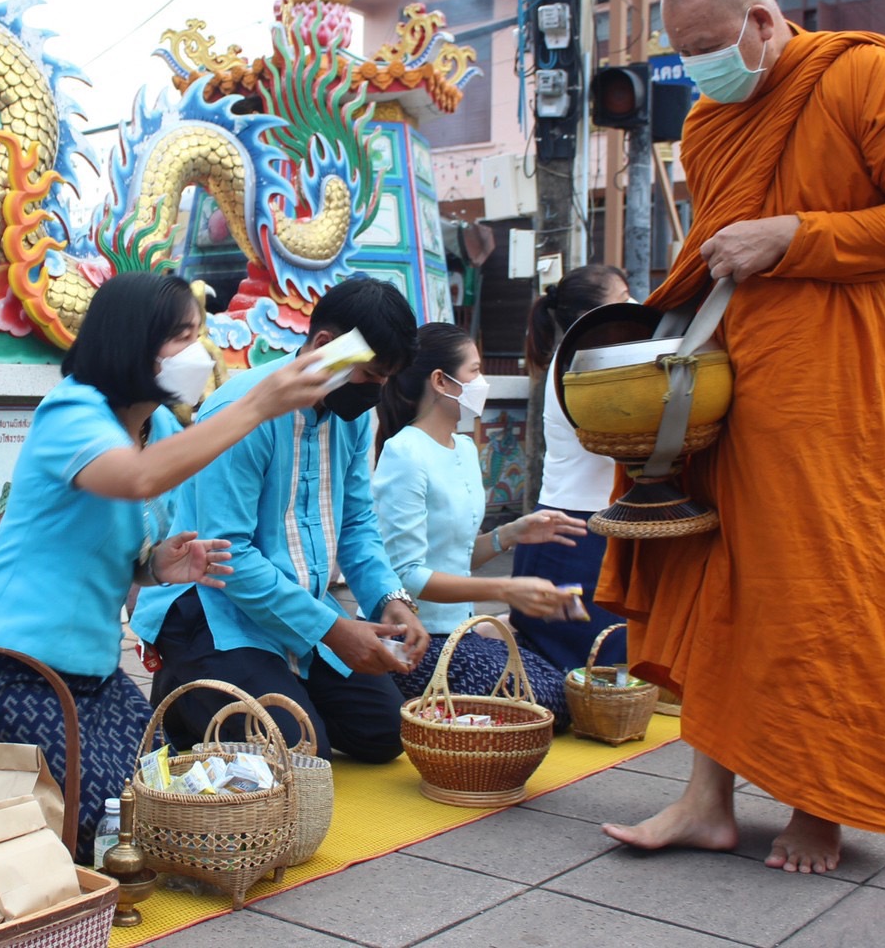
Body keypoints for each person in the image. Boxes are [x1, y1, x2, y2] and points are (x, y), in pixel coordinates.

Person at [596, 0, 885, 874]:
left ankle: (821, 806)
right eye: (683, 55)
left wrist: (794, 236)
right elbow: (713, 254)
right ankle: (706, 800)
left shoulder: (864, 74)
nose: (701, 71)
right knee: (719, 578)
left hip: (842, 383)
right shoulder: (714, 124)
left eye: (711, 47)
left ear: (764, 21)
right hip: (735, 384)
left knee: (826, 585)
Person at [0, 271, 332, 862]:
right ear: (132, 340)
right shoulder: (70, 413)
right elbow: (136, 479)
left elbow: (128, 539)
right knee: (98, 829)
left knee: (153, 805)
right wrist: (259, 402)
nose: (196, 352)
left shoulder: (165, 426)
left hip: (92, 668)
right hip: (8, 658)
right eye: (180, 336)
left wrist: (157, 566)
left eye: (197, 334)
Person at [132, 276, 431, 762]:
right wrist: (333, 632)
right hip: (210, 609)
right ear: (324, 346)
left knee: (384, 735)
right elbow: (228, 560)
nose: (376, 391)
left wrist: (392, 601)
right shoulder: (241, 412)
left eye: (384, 380)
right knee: (292, 749)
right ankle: (187, 683)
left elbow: (357, 524)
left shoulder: (352, 415)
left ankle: (272, 684)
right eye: (370, 375)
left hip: (299, 608)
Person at [370, 322, 585, 726]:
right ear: (441, 381)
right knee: (550, 699)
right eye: (474, 371)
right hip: (421, 640)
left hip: (462, 630)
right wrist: (505, 589)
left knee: (564, 681)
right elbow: (408, 577)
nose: (481, 381)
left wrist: (512, 533)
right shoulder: (405, 454)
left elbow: (456, 556)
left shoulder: (465, 447)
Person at [514, 265, 632, 674]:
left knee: (597, 669)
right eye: (623, 299)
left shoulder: (585, 356)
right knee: (583, 669)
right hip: (574, 533)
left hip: (576, 527)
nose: (634, 306)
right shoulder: (583, 363)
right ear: (591, 316)